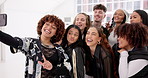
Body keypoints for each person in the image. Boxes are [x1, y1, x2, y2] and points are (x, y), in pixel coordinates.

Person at [0, 14, 71, 78]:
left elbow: (68, 69)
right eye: (47, 24)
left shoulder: (59, 49)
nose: (49, 28)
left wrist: (52, 68)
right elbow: (13, 42)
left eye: (53, 27)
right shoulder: (31, 43)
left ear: (56, 32)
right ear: (42, 26)